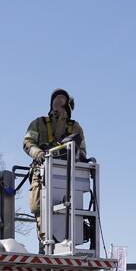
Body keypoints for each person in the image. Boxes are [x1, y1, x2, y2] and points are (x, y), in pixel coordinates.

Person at [22, 89, 87, 236]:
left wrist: (76, 155)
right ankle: (44, 250)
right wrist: (38, 153)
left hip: (68, 178)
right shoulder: (39, 123)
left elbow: (82, 152)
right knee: (42, 215)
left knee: (69, 217)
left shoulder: (75, 127)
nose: (57, 101)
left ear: (68, 106)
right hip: (42, 175)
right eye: (55, 99)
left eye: (62, 99)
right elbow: (28, 142)